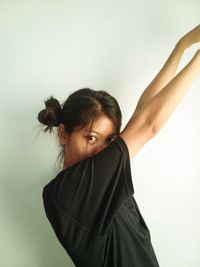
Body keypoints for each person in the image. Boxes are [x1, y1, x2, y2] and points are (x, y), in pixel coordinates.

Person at [37, 24, 200, 267]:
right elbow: (148, 124)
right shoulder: (66, 193)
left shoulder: (101, 177)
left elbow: (143, 112)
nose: (102, 150)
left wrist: (183, 45)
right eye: (91, 137)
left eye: (110, 140)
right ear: (63, 134)